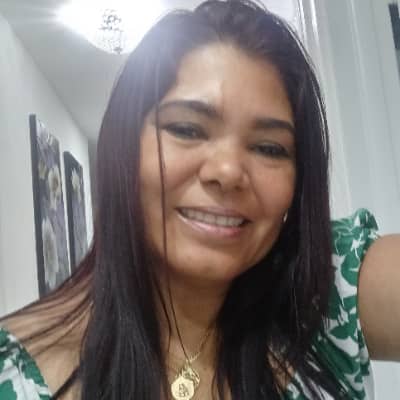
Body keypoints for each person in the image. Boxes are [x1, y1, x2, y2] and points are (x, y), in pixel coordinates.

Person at [0, 0, 399, 399]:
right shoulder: (16, 377)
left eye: (269, 148)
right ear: (124, 148)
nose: (228, 171)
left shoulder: (327, 291)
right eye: (187, 129)